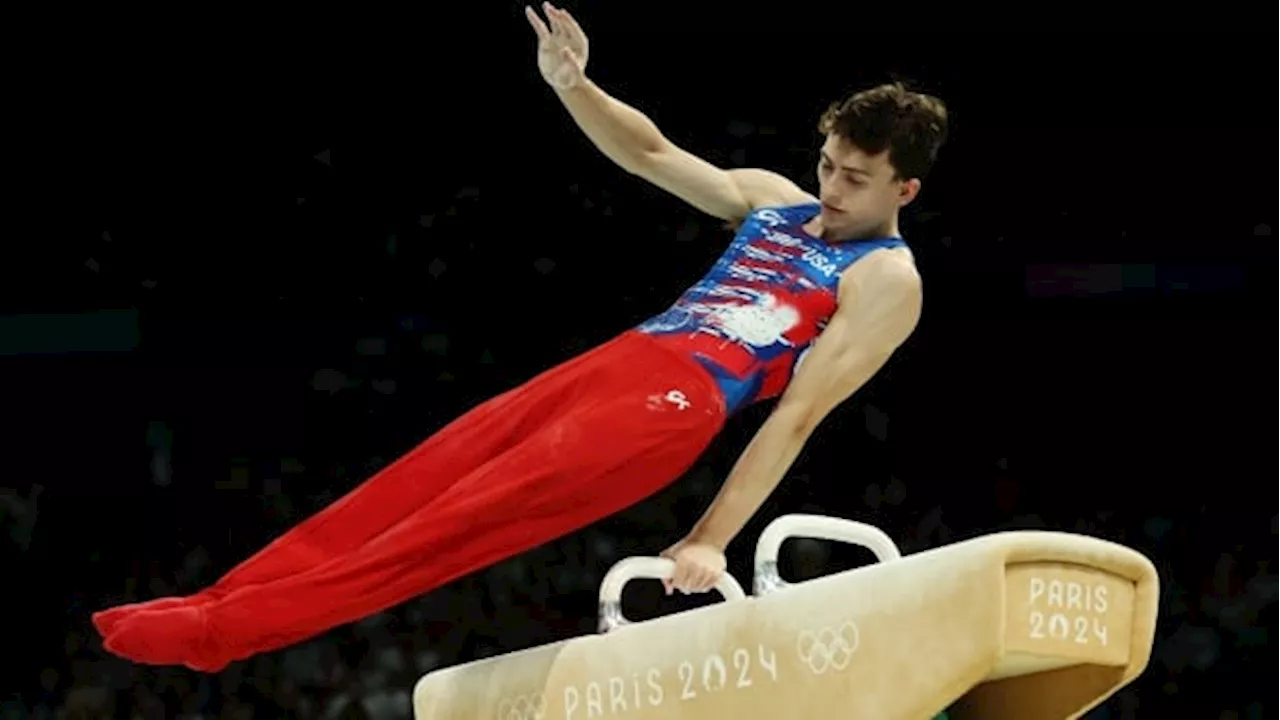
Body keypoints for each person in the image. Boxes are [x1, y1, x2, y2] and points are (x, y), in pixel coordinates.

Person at [92, 2, 948, 672]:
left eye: (856, 178)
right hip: (621, 359)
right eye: (829, 163)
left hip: (676, 404)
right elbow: (652, 153)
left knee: (451, 526)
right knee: (417, 480)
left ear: (904, 190)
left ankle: (223, 633)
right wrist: (574, 84)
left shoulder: (887, 281)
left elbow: (795, 415)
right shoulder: (773, 199)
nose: (831, 186)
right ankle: (221, 597)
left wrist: (710, 537)